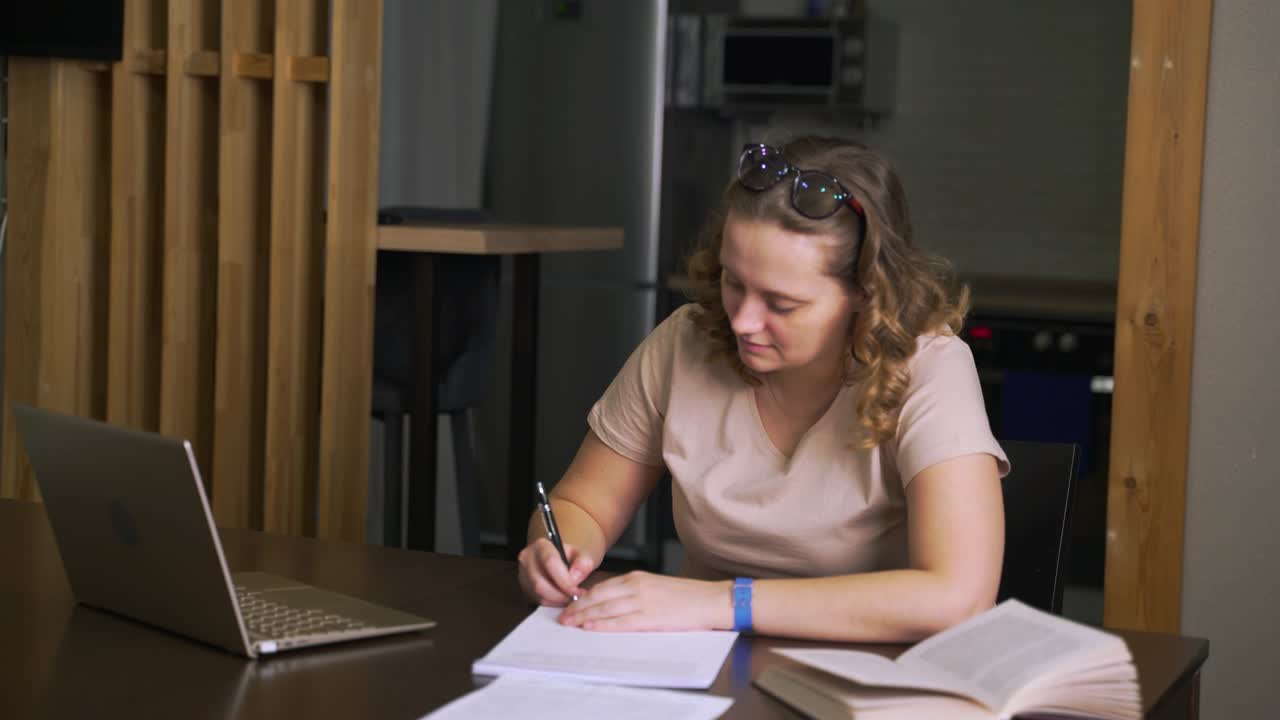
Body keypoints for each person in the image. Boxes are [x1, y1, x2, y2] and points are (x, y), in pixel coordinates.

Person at [517, 136, 1008, 642]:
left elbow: (959, 598)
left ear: (867, 293)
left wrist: (721, 602)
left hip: (864, 676)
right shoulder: (683, 343)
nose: (744, 321)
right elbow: (582, 506)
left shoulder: (929, 367)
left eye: (782, 304)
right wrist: (558, 552)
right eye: (734, 282)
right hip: (696, 660)